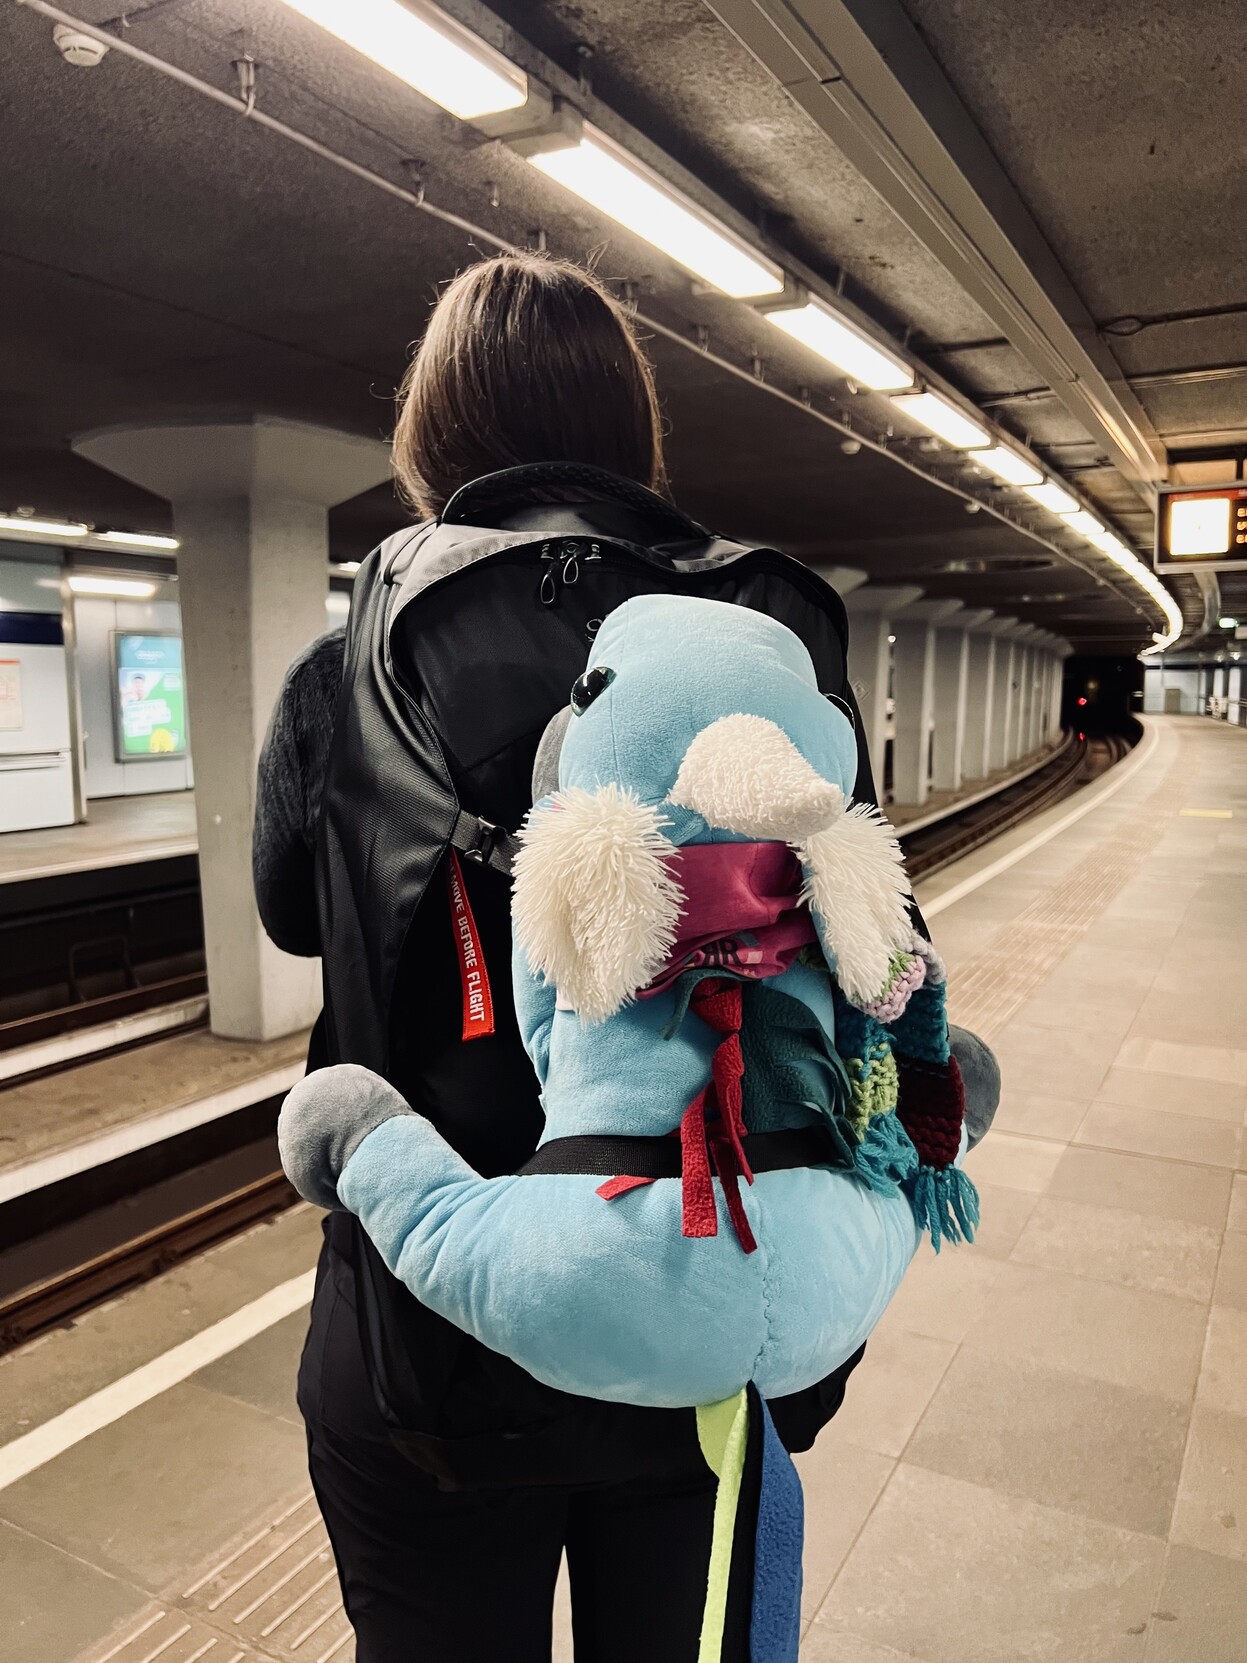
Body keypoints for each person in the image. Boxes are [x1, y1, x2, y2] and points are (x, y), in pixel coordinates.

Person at [254, 253, 997, 1662]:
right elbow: (870, 947)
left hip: (432, 1339)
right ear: (633, 441)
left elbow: (299, 915)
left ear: (431, 437)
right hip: (709, 1307)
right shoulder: (761, 660)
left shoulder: (346, 666)